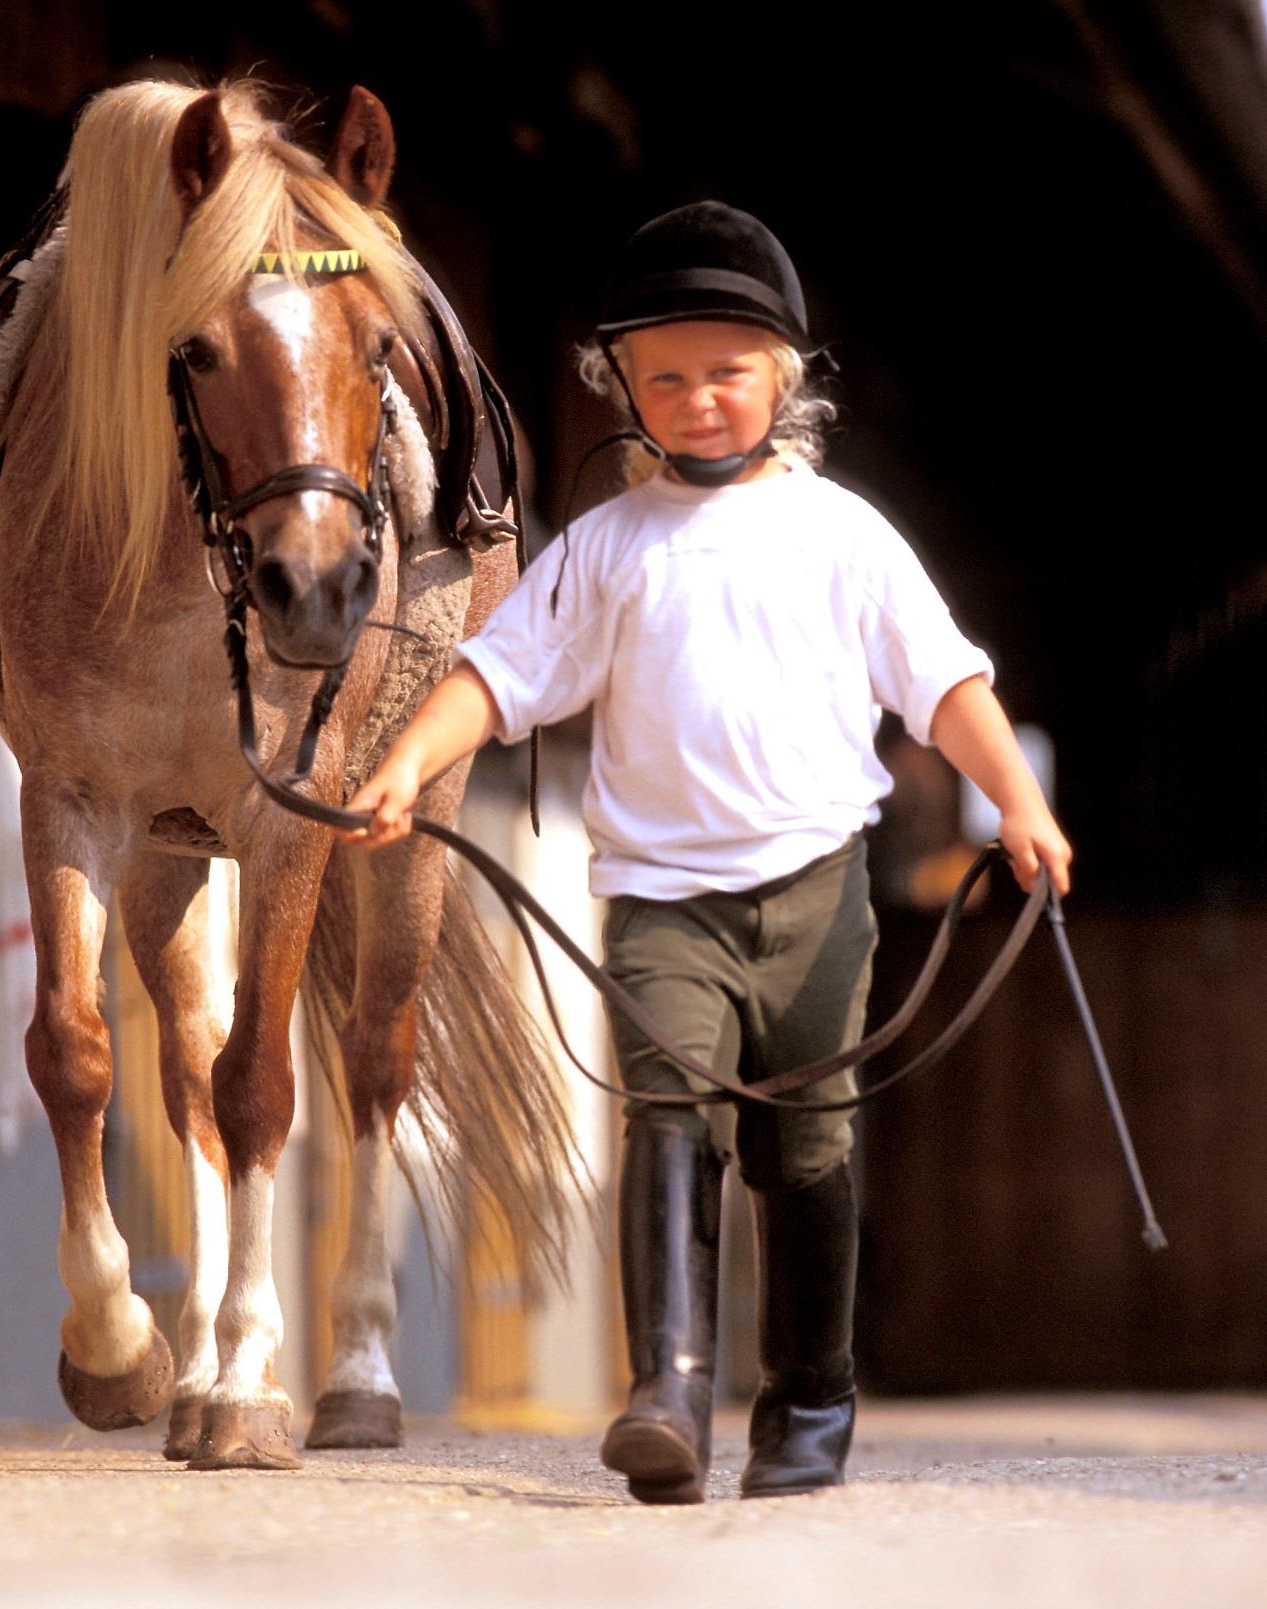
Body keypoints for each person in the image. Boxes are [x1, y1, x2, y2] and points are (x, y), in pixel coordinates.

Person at [345, 201, 1072, 1504]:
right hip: (661, 902)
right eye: (663, 376)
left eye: (727, 373)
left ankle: (809, 1393)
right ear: (619, 381)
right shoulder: (607, 551)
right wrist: (406, 756)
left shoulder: (844, 536)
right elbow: (497, 675)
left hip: (815, 892)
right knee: (668, 1112)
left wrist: (1017, 802)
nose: (696, 400)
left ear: (785, 374)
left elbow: (945, 681)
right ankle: (670, 1386)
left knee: (807, 1139)